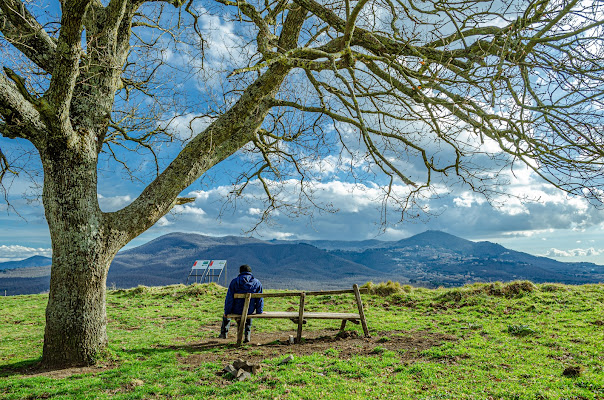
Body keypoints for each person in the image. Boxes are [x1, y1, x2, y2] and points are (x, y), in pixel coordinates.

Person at [219, 264, 263, 342]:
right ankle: (247, 335)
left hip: (236, 310)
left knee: (227, 313)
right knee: (248, 313)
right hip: (249, 310)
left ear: (240, 272)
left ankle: (223, 334)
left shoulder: (234, 282)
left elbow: (229, 299)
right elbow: (259, 299)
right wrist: (259, 312)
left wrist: (227, 312)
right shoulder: (257, 283)